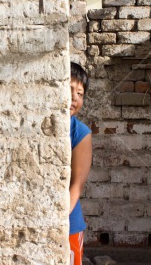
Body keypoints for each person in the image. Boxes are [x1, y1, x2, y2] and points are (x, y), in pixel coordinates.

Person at [69, 62, 93, 265]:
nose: (74, 98)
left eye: (80, 93)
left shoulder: (80, 132)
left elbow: (76, 187)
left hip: (67, 225)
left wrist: (53, 223)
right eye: (69, 89)